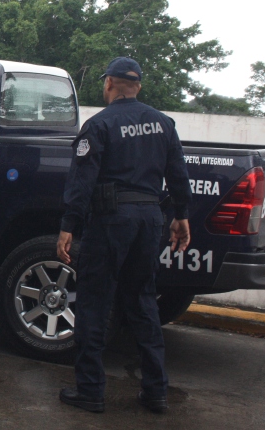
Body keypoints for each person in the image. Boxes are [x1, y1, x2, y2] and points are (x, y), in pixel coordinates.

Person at [56, 57, 192, 413]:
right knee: (143, 302)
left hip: (112, 220)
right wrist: (182, 216)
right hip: (150, 220)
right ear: (139, 86)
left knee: (95, 303)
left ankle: (90, 391)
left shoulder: (99, 124)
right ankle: (156, 392)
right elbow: (178, 174)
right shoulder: (164, 124)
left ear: (110, 84)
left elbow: (82, 182)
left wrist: (68, 226)